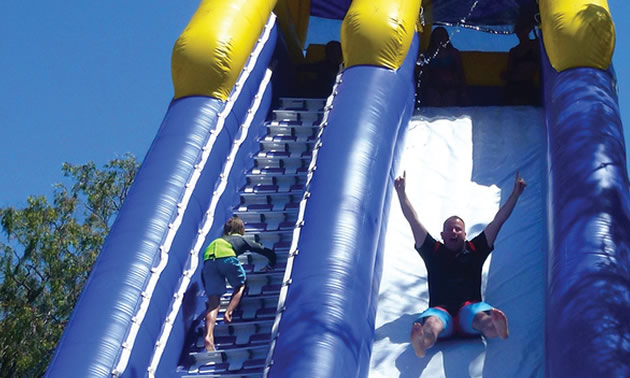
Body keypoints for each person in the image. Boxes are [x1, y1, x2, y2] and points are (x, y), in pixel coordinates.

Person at [393, 171, 527, 357]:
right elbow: (413, 220)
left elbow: (498, 221)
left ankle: (496, 329)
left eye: (458, 229)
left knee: (482, 319)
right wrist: (401, 193)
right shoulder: (433, 252)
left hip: (469, 309)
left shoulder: (475, 249)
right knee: (432, 323)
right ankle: (423, 342)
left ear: (465, 235)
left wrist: (515, 195)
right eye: (450, 229)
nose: (454, 232)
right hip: (442, 312)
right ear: (442, 235)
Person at [202, 215, 276, 352]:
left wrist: (207, 288)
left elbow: (203, 273)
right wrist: (272, 261)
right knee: (240, 285)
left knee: (213, 302)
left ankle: (209, 335)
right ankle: (228, 312)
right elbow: (260, 249)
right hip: (227, 258)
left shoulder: (216, 241)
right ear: (240, 229)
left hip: (208, 262)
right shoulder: (239, 239)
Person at [418, 27, 468, 107]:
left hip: (450, 87)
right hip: (433, 87)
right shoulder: (427, 54)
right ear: (433, 38)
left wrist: (463, 91)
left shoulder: (453, 53)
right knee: (433, 104)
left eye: (442, 35)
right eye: (437, 36)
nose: (440, 38)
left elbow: (460, 72)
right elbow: (423, 74)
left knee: (448, 105)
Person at [504, 20, 540, 105]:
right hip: (515, 85)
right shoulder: (514, 51)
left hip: (527, 84)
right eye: (518, 31)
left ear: (528, 30)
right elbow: (509, 71)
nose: (520, 33)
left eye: (523, 30)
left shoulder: (536, 45)